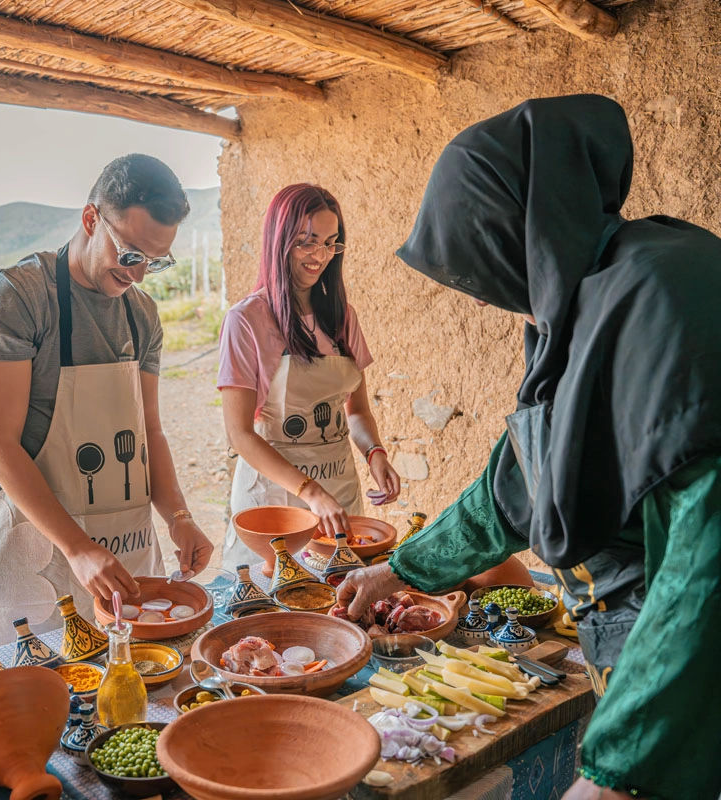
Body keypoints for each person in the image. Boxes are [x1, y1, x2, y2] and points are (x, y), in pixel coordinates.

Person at [336, 95, 721, 800]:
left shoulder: (668, 297)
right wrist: (399, 571)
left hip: (687, 684)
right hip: (632, 658)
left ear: (524, 224)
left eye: (476, 252)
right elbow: (517, 483)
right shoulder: (580, 311)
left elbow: (705, 570)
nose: (474, 291)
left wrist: (616, 773)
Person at [0, 154, 214, 646]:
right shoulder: (17, 298)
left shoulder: (141, 314)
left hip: (127, 546)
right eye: (130, 254)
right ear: (90, 219)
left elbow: (150, 431)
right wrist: (78, 548)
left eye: (155, 261)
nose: (139, 274)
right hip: (34, 549)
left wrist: (179, 518)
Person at [217, 184, 400, 569]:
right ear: (279, 240)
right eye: (307, 242)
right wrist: (310, 491)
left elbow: (358, 410)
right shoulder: (246, 321)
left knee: (340, 603)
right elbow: (241, 434)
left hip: (338, 492)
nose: (320, 256)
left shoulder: (342, 316)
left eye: (331, 243)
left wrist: (375, 452)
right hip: (275, 503)